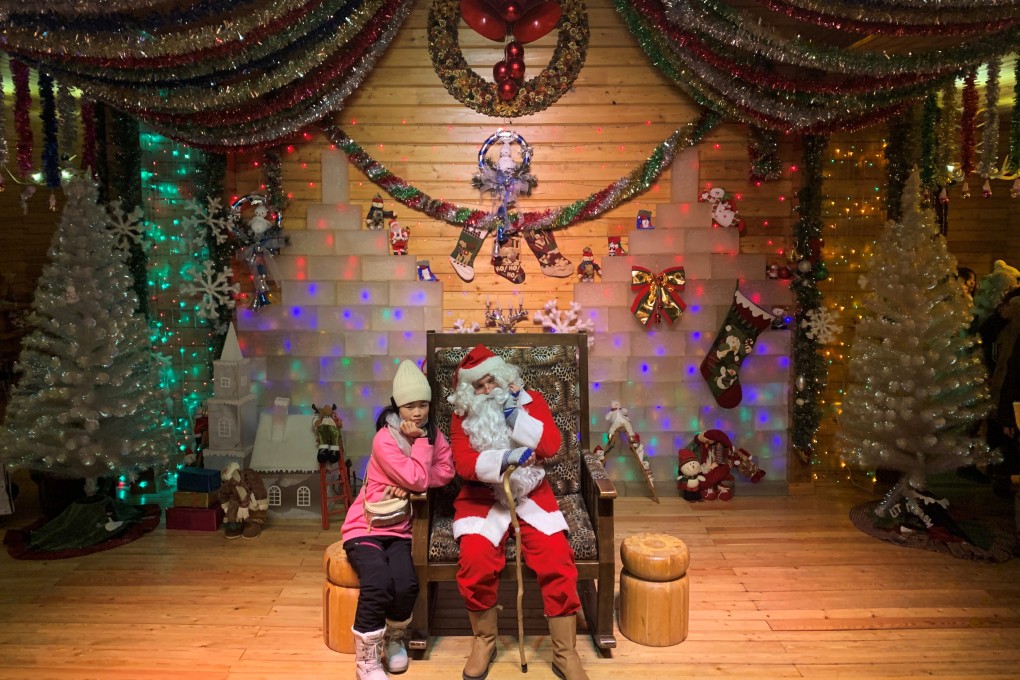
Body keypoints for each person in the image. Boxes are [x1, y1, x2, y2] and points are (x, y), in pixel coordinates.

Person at [447, 344, 588, 680]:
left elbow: (552, 445)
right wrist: (504, 459)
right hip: (482, 498)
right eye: (477, 386)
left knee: (557, 557)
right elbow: (464, 464)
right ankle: (484, 640)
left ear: (503, 378)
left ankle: (565, 653)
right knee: (475, 559)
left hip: (530, 493)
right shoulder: (462, 416)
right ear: (469, 392)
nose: (485, 391)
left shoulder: (530, 401)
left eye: (490, 382)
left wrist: (515, 416)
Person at [341, 360, 455, 680]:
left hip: (400, 528)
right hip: (366, 526)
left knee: (406, 584)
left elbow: (444, 472)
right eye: (409, 406)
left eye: (422, 404)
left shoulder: (433, 434)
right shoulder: (385, 439)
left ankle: (394, 640)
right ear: (397, 405)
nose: (417, 412)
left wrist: (410, 478)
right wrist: (417, 457)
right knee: (378, 582)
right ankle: (366, 660)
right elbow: (418, 480)